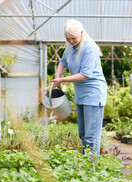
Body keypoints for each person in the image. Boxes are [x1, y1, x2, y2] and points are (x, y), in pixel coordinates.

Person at [51, 19, 107, 155]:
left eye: (73, 38)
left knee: (91, 135)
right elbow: (63, 62)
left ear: (81, 33)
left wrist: (62, 80)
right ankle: (85, 166)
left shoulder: (89, 48)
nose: (70, 41)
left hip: (93, 93)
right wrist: (57, 77)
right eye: (67, 38)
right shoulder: (70, 47)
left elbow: (85, 75)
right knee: (82, 133)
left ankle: (92, 168)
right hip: (81, 93)